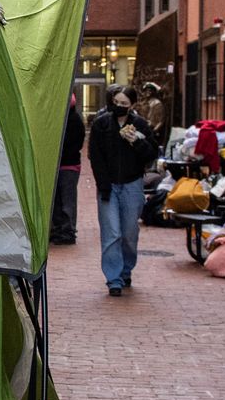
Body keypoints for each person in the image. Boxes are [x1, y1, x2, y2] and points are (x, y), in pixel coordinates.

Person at [87, 85, 159, 296]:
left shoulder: (140, 125)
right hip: (109, 185)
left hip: (132, 184)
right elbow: (95, 156)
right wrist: (103, 185)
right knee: (112, 233)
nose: (119, 106)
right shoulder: (102, 124)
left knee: (129, 233)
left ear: (132, 106)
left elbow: (151, 154)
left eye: (124, 104)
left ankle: (126, 270)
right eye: (116, 102)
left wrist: (137, 141)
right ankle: (113, 278)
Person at [51, 94, 87, 245]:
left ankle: (66, 230)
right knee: (62, 200)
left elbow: (73, 145)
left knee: (64, 200)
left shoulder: (71, 121)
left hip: (67, 165)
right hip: (66, 165)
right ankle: (63, 229)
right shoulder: (72, 120)